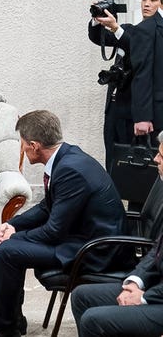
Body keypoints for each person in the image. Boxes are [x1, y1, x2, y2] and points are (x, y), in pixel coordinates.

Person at [0, 110, 127, 337]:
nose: (22, 149)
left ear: (34, 145)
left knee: (9, 250)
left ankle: (7, 326)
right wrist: (12, 226)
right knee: (10, 247)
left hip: (95, 250)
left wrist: (11, 237)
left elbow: (54, 230)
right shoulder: (67, 157)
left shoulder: (69, 170)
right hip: (81, 236)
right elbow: (47, 207)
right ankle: (8, 320)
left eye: (23, 144)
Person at [70, 130, 163, 337]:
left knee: (93, 320)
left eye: (161, 156)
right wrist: (135, 282)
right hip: (154, 285)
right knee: (81, 296)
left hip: (159, 297)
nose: (155, 159)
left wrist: (144, 297)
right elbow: (156, 251)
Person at [89, 0, 161, 170]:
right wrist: (97, 19)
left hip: (136, 111)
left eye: (153, 0)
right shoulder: (130, 29)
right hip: (114, 106)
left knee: (135, 166)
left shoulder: (154, 34)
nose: (147, 4)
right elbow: (98, 38)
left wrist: (116, 29)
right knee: (112, 159)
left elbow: (135, 48)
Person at [129, 0, 163, 145]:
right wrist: (143, 117)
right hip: (158, 113)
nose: (147, 4)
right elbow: (142, 73)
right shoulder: (145, 29)